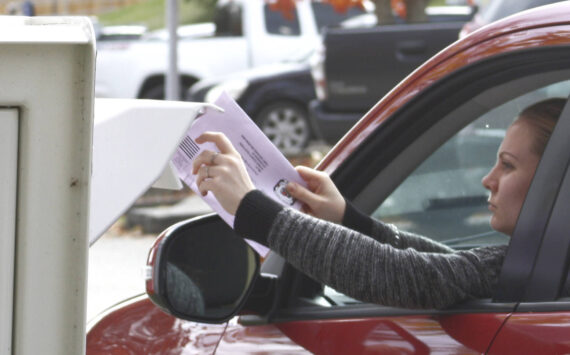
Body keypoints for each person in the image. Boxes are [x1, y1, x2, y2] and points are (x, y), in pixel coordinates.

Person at [191, 98, 568, 309]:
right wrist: (345, 218)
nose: (489, 179)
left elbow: (413, 278)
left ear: (558, 179)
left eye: (507, 165)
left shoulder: (542, 268)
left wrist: (252, 207)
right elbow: (447, 271)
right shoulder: (535, 264)